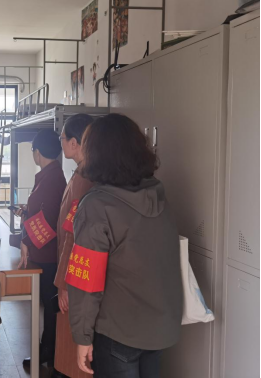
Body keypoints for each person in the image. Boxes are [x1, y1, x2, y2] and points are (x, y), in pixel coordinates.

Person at [68, 114, 183, 377]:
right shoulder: (157, 194)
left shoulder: (97, 205)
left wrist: (82, 337)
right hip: (160, 328)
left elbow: (86, 282)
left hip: (118, 332)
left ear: (95, 153)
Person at [18, 130, 67, 371]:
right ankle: (48, 350)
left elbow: (48, 222)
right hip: (44, 252)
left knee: (50, 305)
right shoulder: (50, 175)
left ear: (37, 153)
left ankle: (49, 351)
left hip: (48, 255)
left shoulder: (52, 178)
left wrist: (26, 241)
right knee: (48, 305)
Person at [54, 114, 95, 378]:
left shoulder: (84, 178)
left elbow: (73, 234)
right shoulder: (82, 171)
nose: (60, 142)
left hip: (75, 274)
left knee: (76, 344)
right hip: (75, 270)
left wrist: (63, 283)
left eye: (62, 137)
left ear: (74, 143)